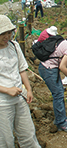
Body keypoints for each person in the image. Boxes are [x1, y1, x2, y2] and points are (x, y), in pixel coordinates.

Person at [0, 15, 41, 147]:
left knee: (28, 135)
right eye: (3, 34)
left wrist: (28, 89)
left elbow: (22, 69)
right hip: (3, 102)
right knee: (6, 140)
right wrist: (7, 90)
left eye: (9, 33)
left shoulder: (14, 46)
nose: (7, 37)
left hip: (19, 97)